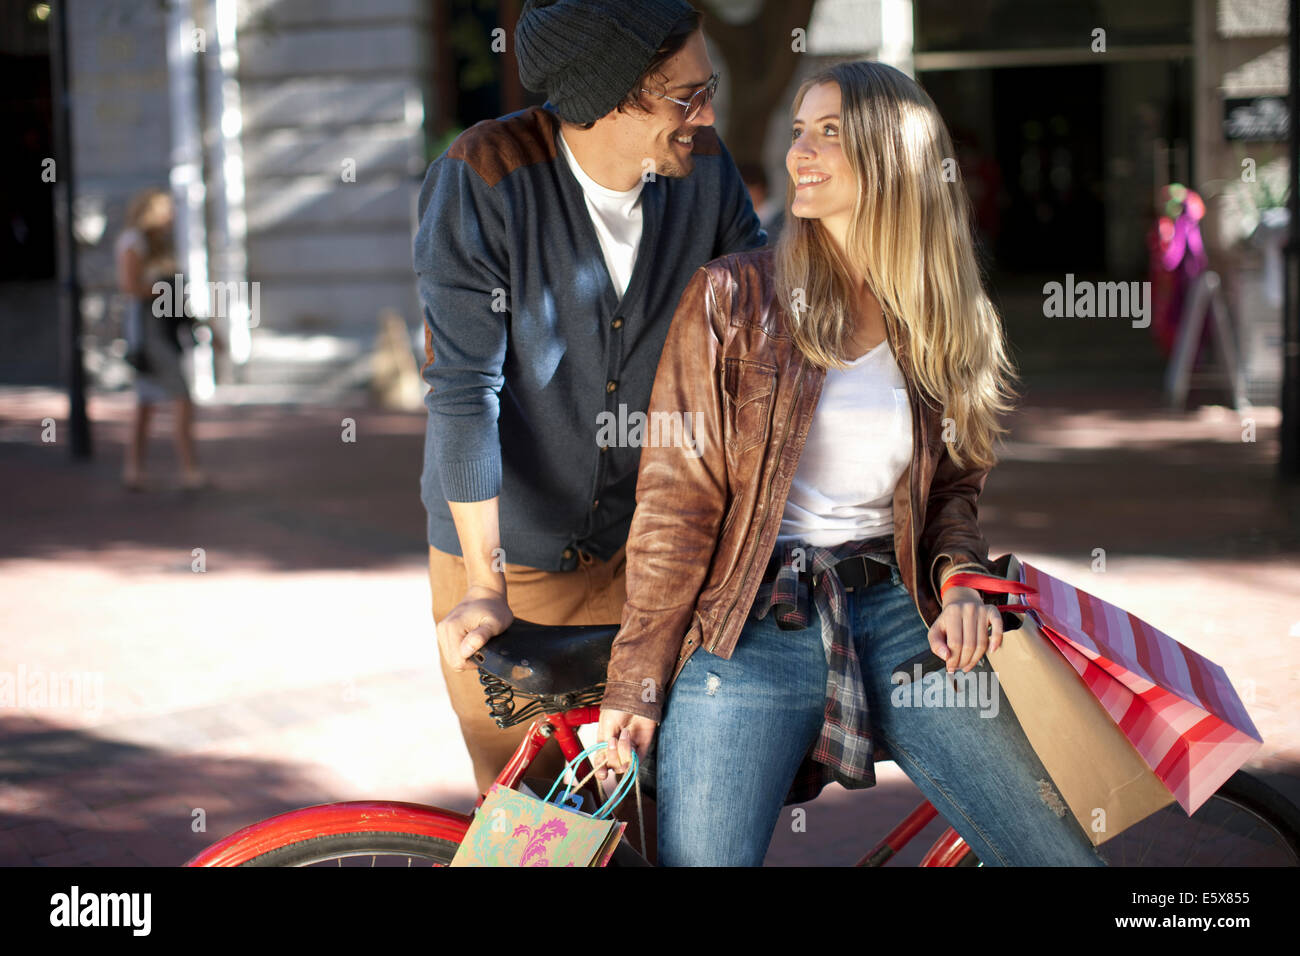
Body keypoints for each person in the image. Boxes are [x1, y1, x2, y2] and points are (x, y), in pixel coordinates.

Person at [595, 60, 1107, 867]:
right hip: (752, 630)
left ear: (893, 154)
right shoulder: (734, 299)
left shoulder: (944, 311)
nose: (802, 151)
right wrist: (636, 680)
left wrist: (961, 583)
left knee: (1062, 857)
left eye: (829, 133)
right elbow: (675, 503)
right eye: (799, 131)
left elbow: (952, 495)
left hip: (906, 622)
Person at [414, 0, 765, 798]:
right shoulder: (483, 180)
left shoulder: (703, 171)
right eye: (686, 96)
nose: (705, 115)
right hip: (508, 553)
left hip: (646, 548)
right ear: (615, 95)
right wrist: (485, 584)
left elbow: (766, 322)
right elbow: (465, 392)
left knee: (654, 797)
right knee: (540, 811)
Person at [115, 187, 208, 492]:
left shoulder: (158, 245)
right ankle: (189, 470)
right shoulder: (135, 242)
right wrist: (165, 291)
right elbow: (130, 287)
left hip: (162, 329)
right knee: (179, 398)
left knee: (146, 403)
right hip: (150, 332)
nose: (171, 216)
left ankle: (135, 471)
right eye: (166, 210)